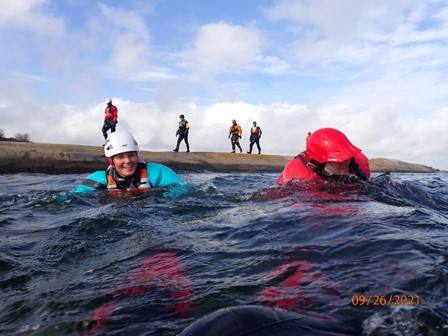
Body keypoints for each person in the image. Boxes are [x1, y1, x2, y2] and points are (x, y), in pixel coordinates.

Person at [75, 131, 185, 193]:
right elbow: (75, 199)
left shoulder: (158, 172)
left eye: (131, 155)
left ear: (137, 155)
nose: (127, 161)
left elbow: (183, 191)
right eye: (120, 157)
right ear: (111, 160)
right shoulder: (98, 179)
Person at [277, 128, 370, 185]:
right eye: (338, 159)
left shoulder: (359, 162)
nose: (345, 161)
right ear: (319, 163)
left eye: (347, 156)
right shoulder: (300, 178)